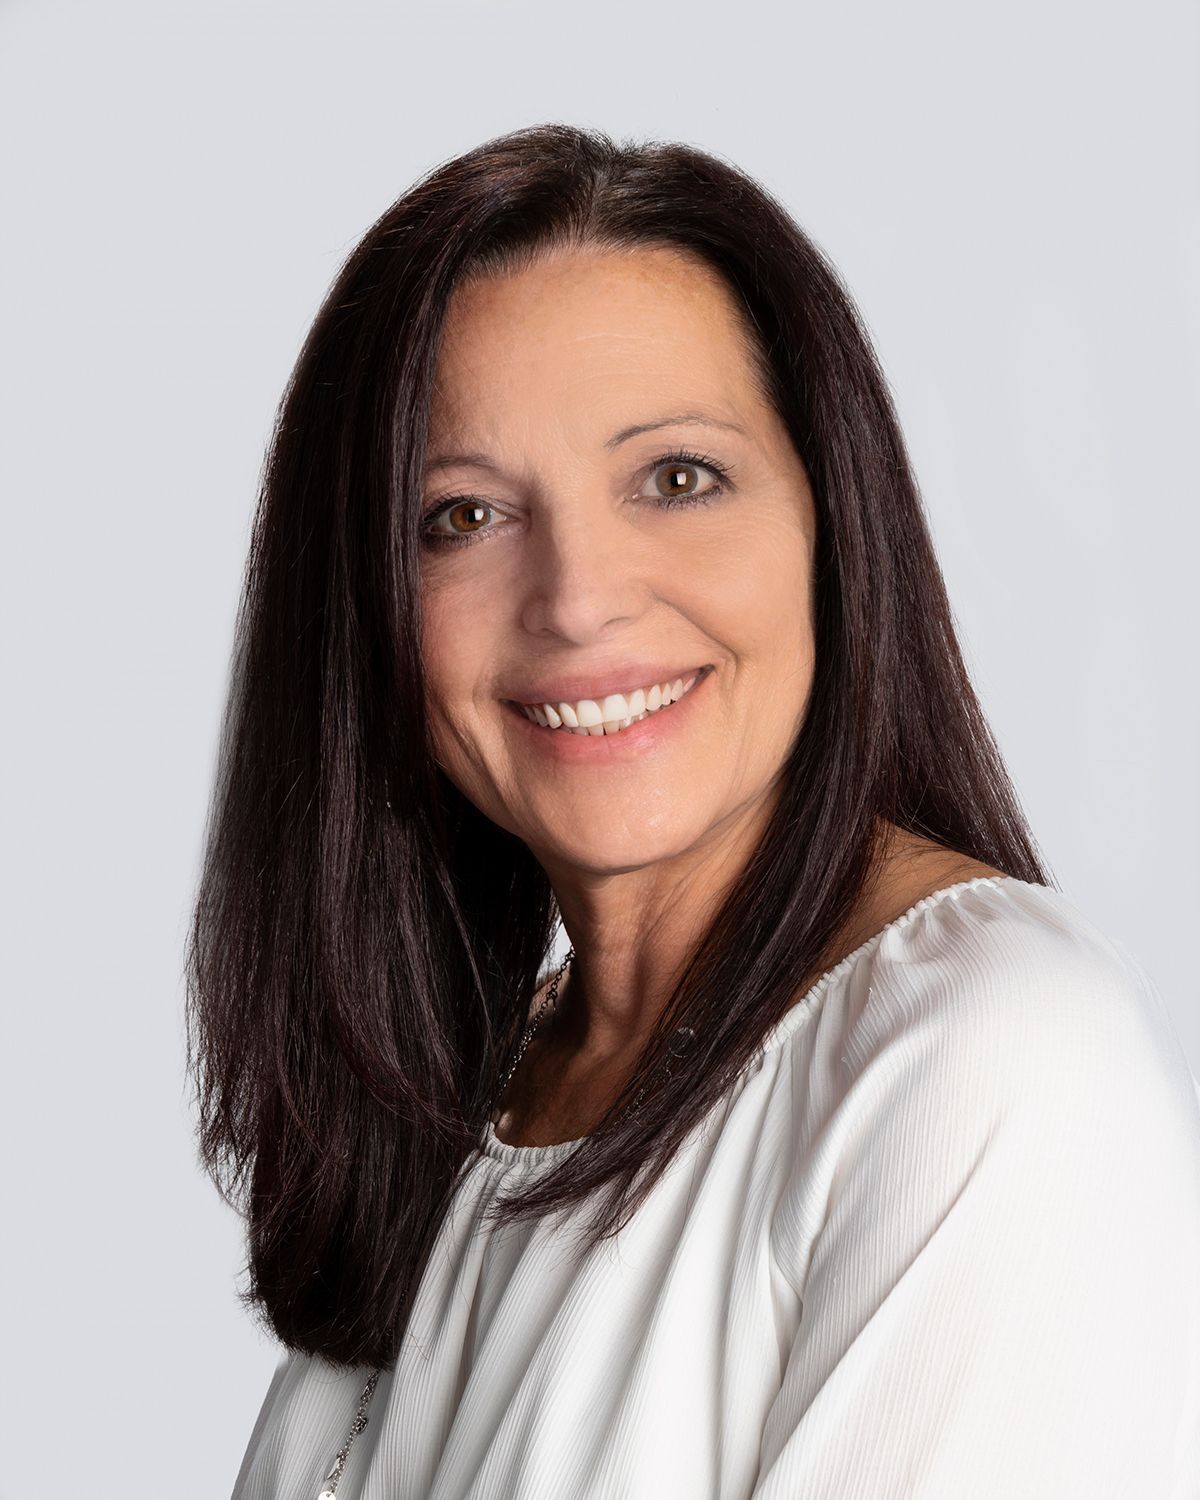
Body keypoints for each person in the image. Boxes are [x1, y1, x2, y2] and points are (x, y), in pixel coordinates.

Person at [187, 124, 1200, 1500]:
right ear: (364, 604)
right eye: (462, 517)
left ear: (833, 524)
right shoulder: (459, 1099)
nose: (578, 598)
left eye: (676, 478)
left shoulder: (983, 1058)